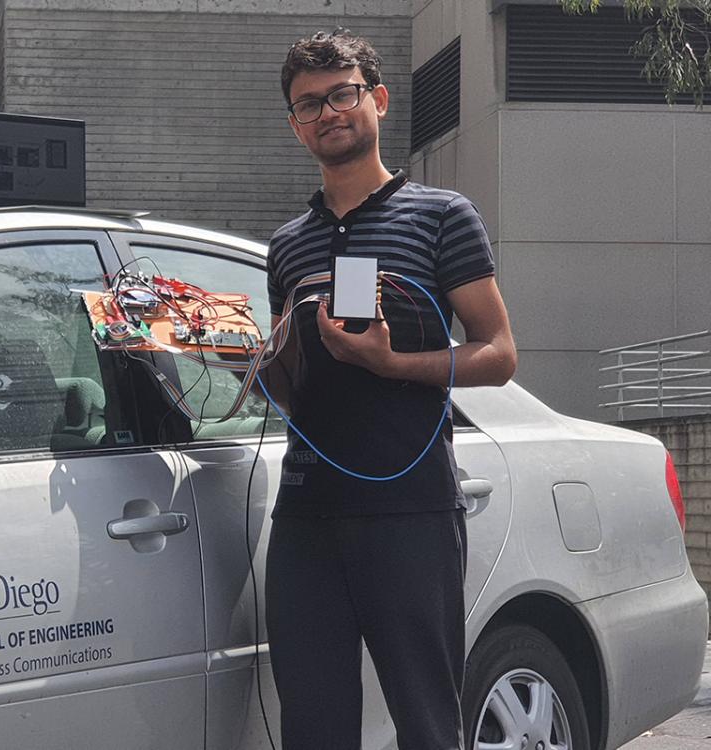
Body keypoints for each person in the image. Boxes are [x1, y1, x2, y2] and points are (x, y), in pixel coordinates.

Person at [260, 29, 517, 749]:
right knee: (313, 726)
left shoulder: (442, 216)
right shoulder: (288, 244)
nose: (327, 112)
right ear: (295, 125)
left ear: (376, 98)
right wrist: (242, 364)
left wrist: (395, 363)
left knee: (428, 723)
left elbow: (498, 354)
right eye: (308, 104)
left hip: (411, 512)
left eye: (342, 93)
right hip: (306, 515)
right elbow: (288, 379)